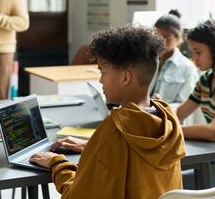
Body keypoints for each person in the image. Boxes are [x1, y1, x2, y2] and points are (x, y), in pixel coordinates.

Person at [29, 25, 185, 199]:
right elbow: (131, 162)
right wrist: (92, 149)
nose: (100, 80)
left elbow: (76, 196)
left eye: (103, 73)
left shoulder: (114, 130)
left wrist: (56, 163)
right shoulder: (168, 120)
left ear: (125, 77)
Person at [175, 20, 215, 188]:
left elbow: (213, 132)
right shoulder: (206, 79)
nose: (193, 58)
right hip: (213, 157)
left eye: (198, 52)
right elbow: (180, 113)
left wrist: (171, 130)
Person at [149, 9, 199, 109]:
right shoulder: (146, 62)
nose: (161, 42)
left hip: (169, 120)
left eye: (166, 38)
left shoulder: (187, 68)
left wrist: (160, 107)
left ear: (177, 37)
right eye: (157, 37)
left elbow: (184, 105)